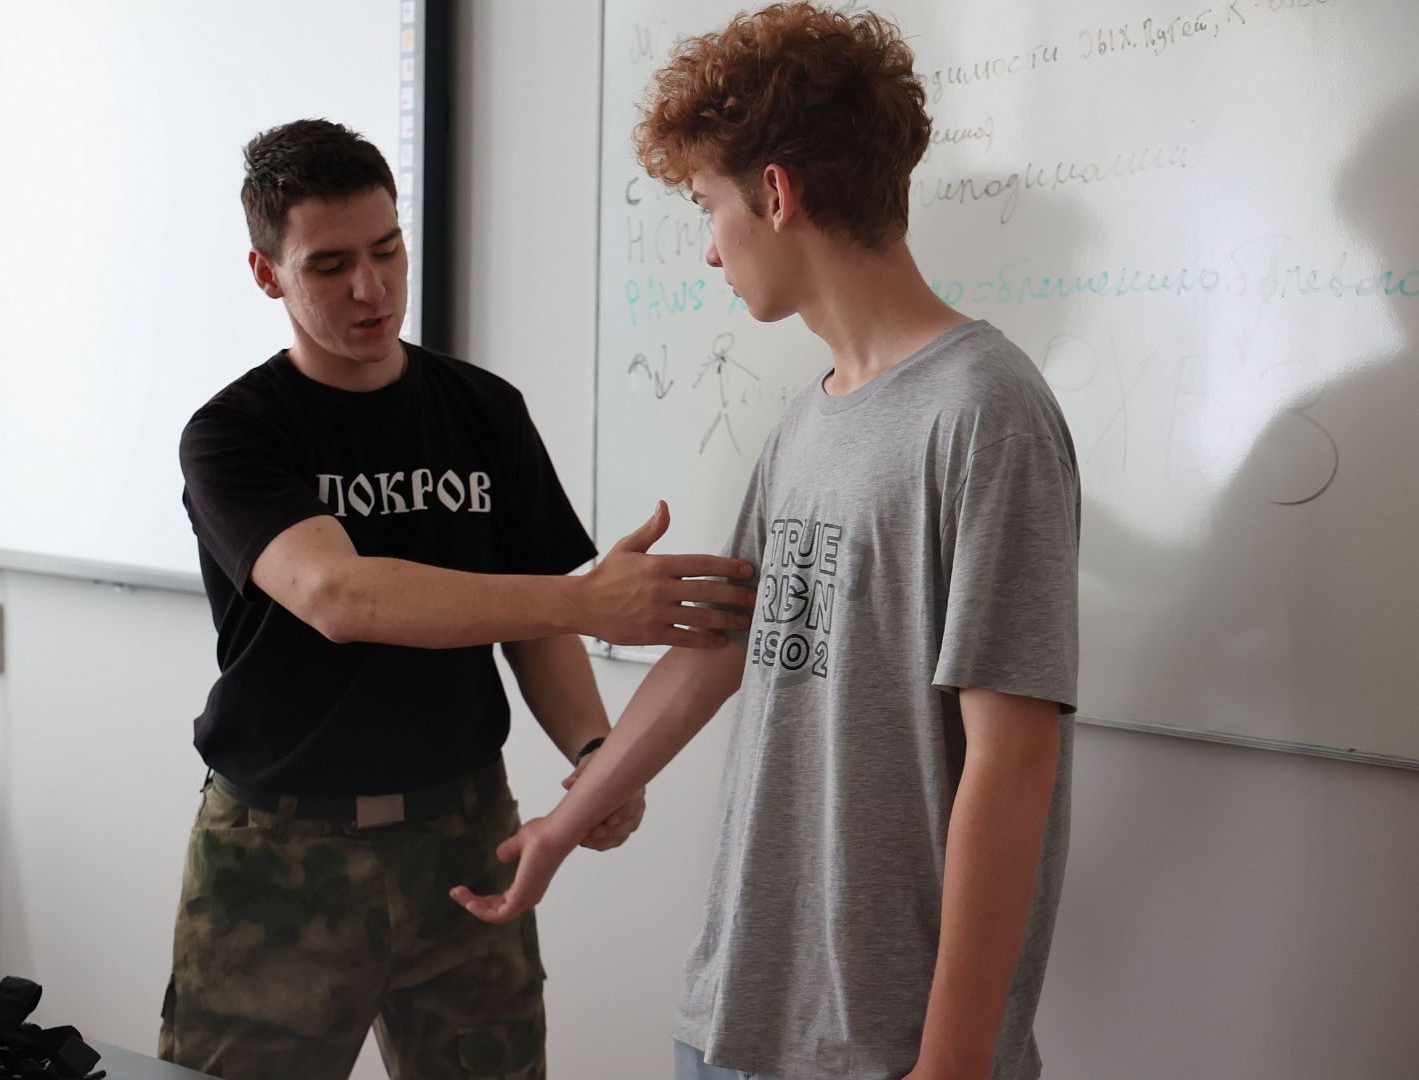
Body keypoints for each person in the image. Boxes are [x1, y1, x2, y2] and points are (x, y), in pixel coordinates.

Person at [453, 6, 1081, 1079]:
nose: (709, 248)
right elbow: (724, 646)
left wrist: (953, 1060)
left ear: (777, 195)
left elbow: (1012, 760)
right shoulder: (811, 417)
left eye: (709, 205)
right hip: (738, 1008)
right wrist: (565, 824)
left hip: (885, 1044)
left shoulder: (986, 414)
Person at [158, 118, 756, 1079]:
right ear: (267, 274)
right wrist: (586, 603)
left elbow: (533, 620)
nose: (372, 287)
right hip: (278, 851)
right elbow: (340, 596)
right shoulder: (234, 434)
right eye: (330, 266)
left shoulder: (482, 409)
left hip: (463, 835)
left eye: (387, 250)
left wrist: (596, 754)